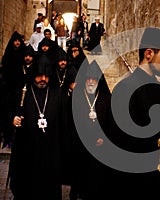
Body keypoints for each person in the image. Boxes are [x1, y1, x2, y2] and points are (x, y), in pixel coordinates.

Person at [110, 27, 160, 199]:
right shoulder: (124, 89)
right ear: (148, 54)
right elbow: (120, 143)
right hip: (131, 184)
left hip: (158, 182)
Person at [8, 54, 66, 200]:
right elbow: (8, 111)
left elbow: (64, 123)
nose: (43, 80)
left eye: (46, 76)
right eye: (40, 76)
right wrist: (12, 119)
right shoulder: (23, 93)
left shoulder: (57, 94)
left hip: (51, 152)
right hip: (28, 151)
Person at [68, 60, 113, 200]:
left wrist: (104, 138)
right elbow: (70, 122)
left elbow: (111, 124)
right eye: (88, 78)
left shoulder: (107, 98)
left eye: (94, 78)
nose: (91, 82)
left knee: (97, 182)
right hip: (80, 147)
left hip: (100, 149)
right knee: (80, 180)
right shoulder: (76, 98)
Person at [1, 31, 26, 149]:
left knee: (17, 112)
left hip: (18, 88)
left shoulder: (23, 53)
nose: (16, 43)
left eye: (18, 41)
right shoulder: (8, 54)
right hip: (7, 87)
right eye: (15, 41)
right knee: (7, 111)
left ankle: (15, 138)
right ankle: (7, 138)